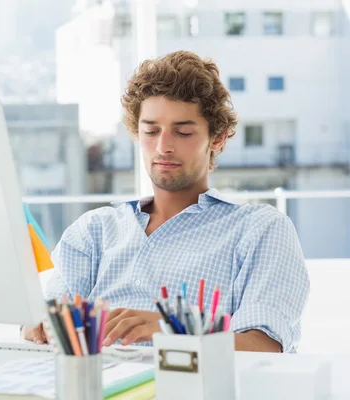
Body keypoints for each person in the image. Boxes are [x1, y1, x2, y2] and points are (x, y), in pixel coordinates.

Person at [22, 51, 309, 353]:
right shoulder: (94, 230)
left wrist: (171, 331)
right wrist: (37, 323)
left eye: (183, 132)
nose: (163, 147)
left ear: (218, 139)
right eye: (151, 131)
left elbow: (265, 347)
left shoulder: (259, 229)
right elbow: (47, 323)